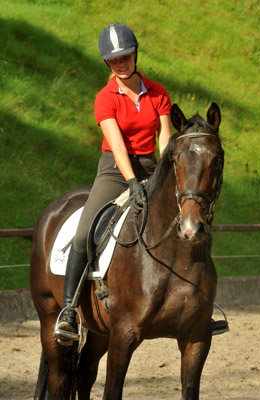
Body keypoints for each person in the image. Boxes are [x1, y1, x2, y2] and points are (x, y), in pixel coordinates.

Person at [54, 24, 173, 345]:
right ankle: (68, 310)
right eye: (114, 60)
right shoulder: (105, 98)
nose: (121, 63)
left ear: (135, 55)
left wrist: (166, 172)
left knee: (187, 217)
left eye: (125, 57)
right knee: (84, 231)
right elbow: (117, 145)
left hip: (153, 165)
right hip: (114, 171)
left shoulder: (158, 92)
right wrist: (133, 182)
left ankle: (202, 302)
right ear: (107, 63)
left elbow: (165, 136)